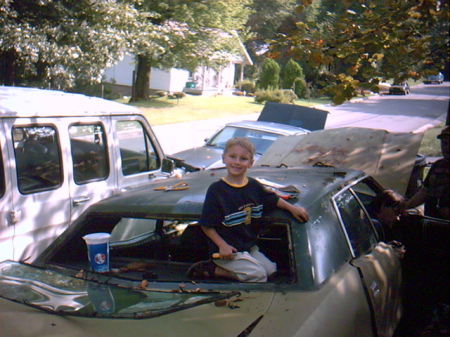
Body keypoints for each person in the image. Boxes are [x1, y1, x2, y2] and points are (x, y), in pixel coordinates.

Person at [187, 137, 309, 282]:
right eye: (232, 156)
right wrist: (222, 245)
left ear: (251, 163)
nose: (237, 162)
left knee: (271, 271)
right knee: (258, 275)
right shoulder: (217, 191)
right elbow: (206, 225)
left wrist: (292, 208)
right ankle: (212, 270)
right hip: (227, 252)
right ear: (224, 158)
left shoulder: (253, 186)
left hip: (248, 247)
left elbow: (273, 200)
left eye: (243, 159)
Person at [406, 126, 449, 220]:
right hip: (432, 223)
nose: (447, 147)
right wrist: (406, 206)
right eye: (444, 143)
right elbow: (425, 191)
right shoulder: (437, 165)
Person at [367, 189, 406, 259]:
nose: (398, 218)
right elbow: (370, 255)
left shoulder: (371, 219)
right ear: (383, 206)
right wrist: (390, 253)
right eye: (396, 213)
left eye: (399, 215)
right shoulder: (373, 226)